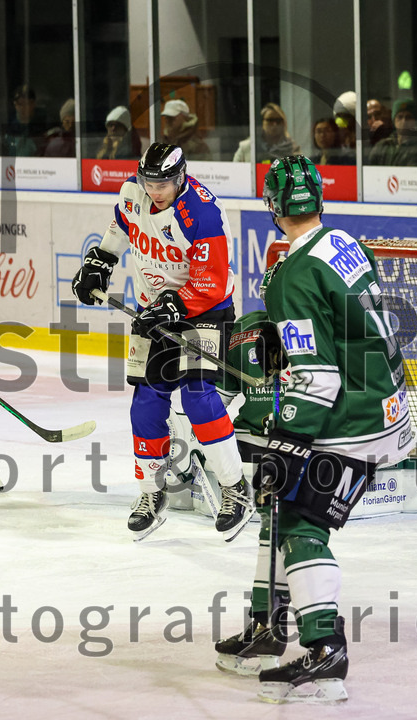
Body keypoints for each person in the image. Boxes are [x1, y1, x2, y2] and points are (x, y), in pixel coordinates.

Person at [231, 155, 415, 704]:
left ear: (272, 206)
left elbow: (316, 373)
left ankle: (325, 649)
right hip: (383, 403)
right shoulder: (342, 242)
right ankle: (269, 625)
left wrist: (287, 444)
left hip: (353, 419)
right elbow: (340, 327)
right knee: (280, 510)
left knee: (303, 524)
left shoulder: (291, 273)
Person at [70, 143, 252, 540]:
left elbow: (213, 281)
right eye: (149, 181)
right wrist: (100, 261)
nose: (155, 190)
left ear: (180, 176)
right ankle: (152, 494)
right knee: (146, 402)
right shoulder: (132, 194)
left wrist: (175, 303)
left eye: (164, 182)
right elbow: (120, 228)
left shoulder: (201, 212)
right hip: (153, 310)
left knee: (198, 398)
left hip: (205, 312)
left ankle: (236, 490)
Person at [368, 99, 417, 166]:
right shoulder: (383, 145)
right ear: (394, 121)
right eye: (400, 117)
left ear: (414, 121)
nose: (404, 121)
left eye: (408, 117)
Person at [233, 103, 300, 163]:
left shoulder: (292, 148)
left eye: (278, 120)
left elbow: (298, 171)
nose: (275, 124)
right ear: (262, 122)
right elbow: (235, 170)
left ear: (284, 123)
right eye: (270, 120)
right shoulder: (247, 147)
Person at [3, 84, 49, 156]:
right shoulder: (9, 127)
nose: (22, 108)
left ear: (33, 103)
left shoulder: (44, 125)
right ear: (15, 105)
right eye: (19, 104)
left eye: (26, 103)